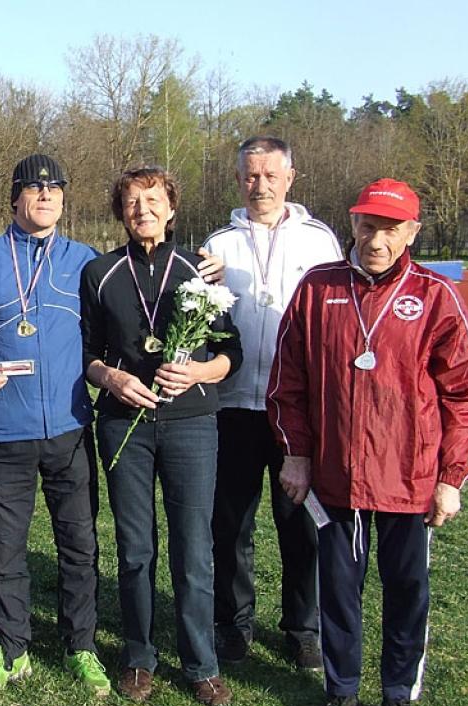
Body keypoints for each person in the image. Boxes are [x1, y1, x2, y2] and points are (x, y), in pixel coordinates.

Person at [267, 178, 468, 706]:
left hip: (409, 479)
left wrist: (451, 477)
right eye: (368, 225)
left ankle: (398, 699)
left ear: (412, 231)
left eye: (390, 228)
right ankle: (341, 689)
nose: (376, 238)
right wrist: (296, 453)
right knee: (338, 590)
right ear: (353, 225)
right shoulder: (319, 288)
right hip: (337, 477)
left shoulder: (435, 295)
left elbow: (465, 393)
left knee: (406, 591)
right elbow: (287, 382)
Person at [81, 166, 242, 706]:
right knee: (135, 547)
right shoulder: (99, 272)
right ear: (120, 212)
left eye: (153, 199)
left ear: (171, 208)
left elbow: (230, 353)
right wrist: (112, 378)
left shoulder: (199, 270)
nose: (142, 209)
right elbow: (87, 353)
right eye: (130, 201)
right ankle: (138, 655)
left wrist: (198, 372)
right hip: (125, 423)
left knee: (194, 549)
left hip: (191, 425)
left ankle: (201, 663)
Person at [0, 153, 111, 696]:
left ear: (64, 197)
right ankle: (11, 645)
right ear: (14, 198)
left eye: (55, 187)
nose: (45, 195)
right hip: (4, 431)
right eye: (33, 187)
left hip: (69, 428)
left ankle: (81, 645)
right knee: (4, 547)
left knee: (79, 545)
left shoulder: (86, 261)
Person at [204, 136, 342, 669]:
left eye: (268, 175)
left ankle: (301, 626)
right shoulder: (219, 244)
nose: (258, 185)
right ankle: (233, 623)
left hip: (296, 412)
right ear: (238, 178)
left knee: (300, 521)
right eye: (249, 176)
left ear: (290, 177)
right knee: (232, 522)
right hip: (233, 405)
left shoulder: (319, 240)